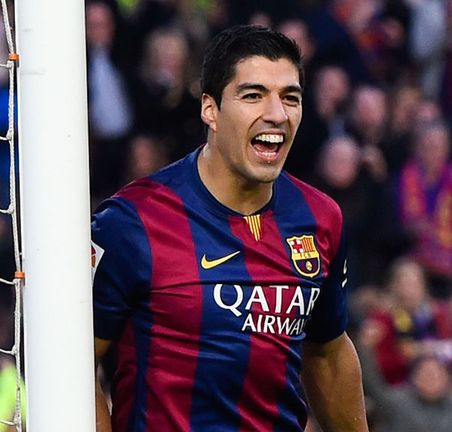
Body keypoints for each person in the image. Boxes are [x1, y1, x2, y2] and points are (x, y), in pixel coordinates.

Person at [91, 25, 367, 432]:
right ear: (210, 109)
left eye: (290, 97)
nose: (277, 113)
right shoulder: (132, 222)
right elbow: (72, 362)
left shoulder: (320, 219)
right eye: (253, 95)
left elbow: (327, 352)